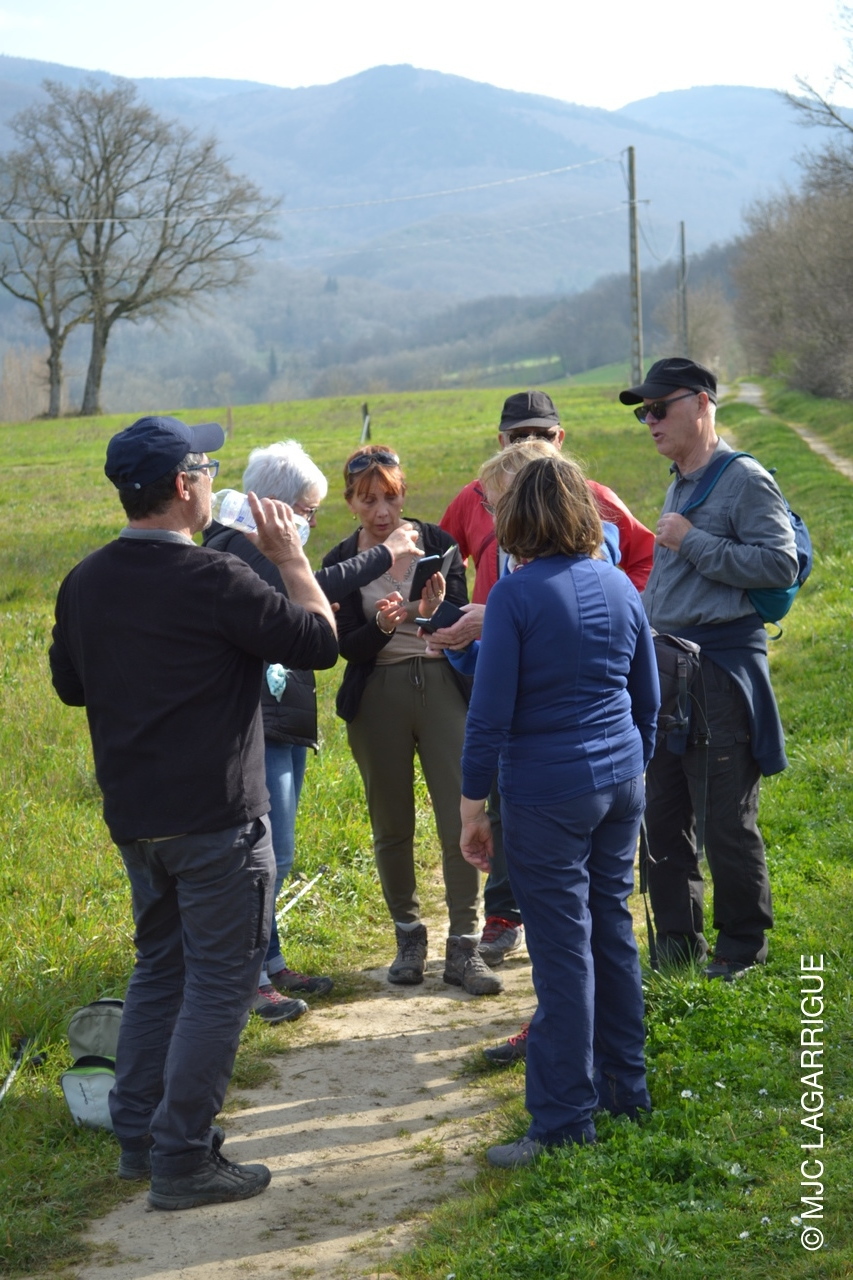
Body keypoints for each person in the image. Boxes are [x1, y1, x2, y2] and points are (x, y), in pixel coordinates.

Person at [49, 415, 337, 1210]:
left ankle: (139, 1137)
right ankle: (181, 1155)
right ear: (183, 486)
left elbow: (71, 686)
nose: (213, 480)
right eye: (206, 468)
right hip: (217, 818)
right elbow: (318, 641)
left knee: (161, 969)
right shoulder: (217, 577)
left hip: (137, 818)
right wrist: (290, 558)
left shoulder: (84, 580)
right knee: (220, 983)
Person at [439, 391, 655, 1062]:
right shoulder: (614, 584)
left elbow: (489, 716)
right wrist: (632, 766)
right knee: (610, 931)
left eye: (497, 506)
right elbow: (645, 698)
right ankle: (625, 1082)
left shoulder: (516, 592)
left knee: (562, 947)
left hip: (548, 787)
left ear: (522, 509)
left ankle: (563, 1105)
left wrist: (472, 808)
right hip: (618, 777)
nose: (490, 515)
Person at [205, 440, 421, 1023]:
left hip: (283, 717)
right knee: (268, 856)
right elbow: (307, 587)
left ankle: (271, 963)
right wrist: (383, 557)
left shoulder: (252, 543)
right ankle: (249, 980)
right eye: (306, 510)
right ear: (275, 506)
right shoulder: (241, 546)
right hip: (261, 721)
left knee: (276, 855)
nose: (312, 522)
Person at [620, 357, 799, 979]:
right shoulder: (681, 480)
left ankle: (742, 948)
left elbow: (780, 565)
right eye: (644, 412)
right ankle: (677, 948)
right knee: (663, 815)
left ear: (700, 403)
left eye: (659, 407)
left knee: (725, 818)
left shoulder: (744, 479)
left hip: (720, 671)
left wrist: (691, 540)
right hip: (669, 671)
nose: (650, 420)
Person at [322, 444, 501, 997]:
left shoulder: (439, 543)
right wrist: (382, 625)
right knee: (391, 823)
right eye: (368, 500)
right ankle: (409, 935)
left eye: (391, 497)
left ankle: (465, 945)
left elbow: (462, 622)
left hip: (444, 687)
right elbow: (345, 647)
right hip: (377, 693)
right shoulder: (342, 560)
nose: (382, 511)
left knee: (460, 817)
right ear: (350, 502)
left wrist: (429, 614)